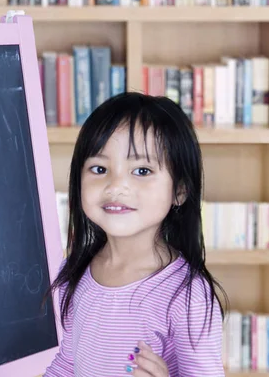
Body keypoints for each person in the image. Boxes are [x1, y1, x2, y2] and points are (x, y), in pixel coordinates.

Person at [43, 92, 228, 376]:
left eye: (142, 170)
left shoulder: (188, 296)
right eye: (99, 168)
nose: (116, 186)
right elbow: (67, 364)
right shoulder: (73, 273)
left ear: (179, 190)